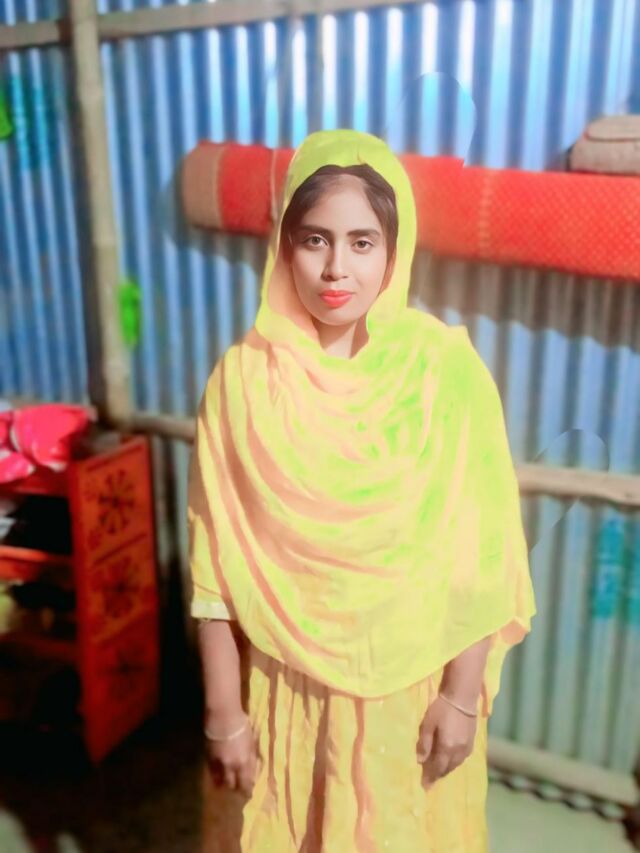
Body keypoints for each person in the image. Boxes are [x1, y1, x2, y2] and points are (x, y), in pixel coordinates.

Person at [188, 128, 537, 852]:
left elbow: (483, 549)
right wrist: (224, 711)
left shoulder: (444, 373)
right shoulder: (243, 381)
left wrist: (460, 696)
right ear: (285, 246)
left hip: (410, 694)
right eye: (314, 240)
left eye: (362, 242)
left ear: (394, 251)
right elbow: (214, 559)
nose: (336, 268)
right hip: (288, 691)